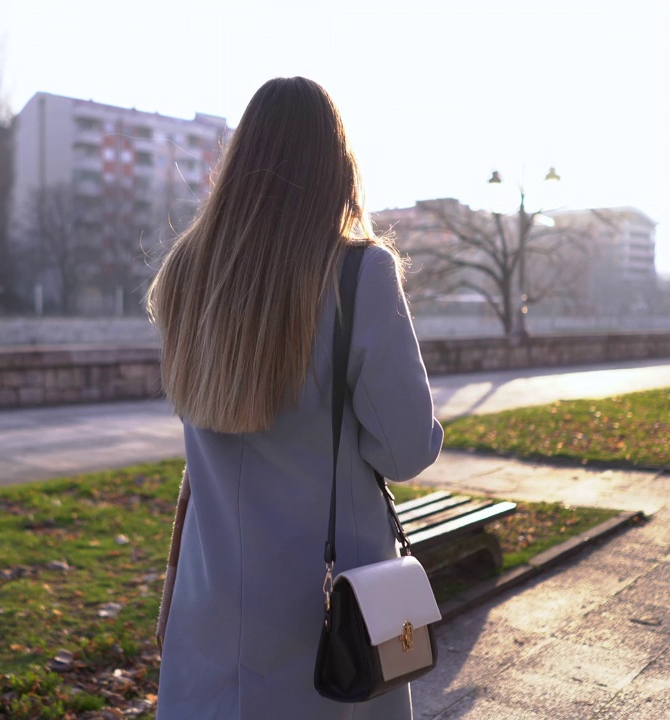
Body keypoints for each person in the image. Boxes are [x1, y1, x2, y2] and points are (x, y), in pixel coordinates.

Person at [147, 77, 444, 720]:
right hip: (331, 616)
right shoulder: (358, 274)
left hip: (212, 604)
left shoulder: (186, 274)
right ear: (336, 166)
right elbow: (406, 450)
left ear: (238, 164)